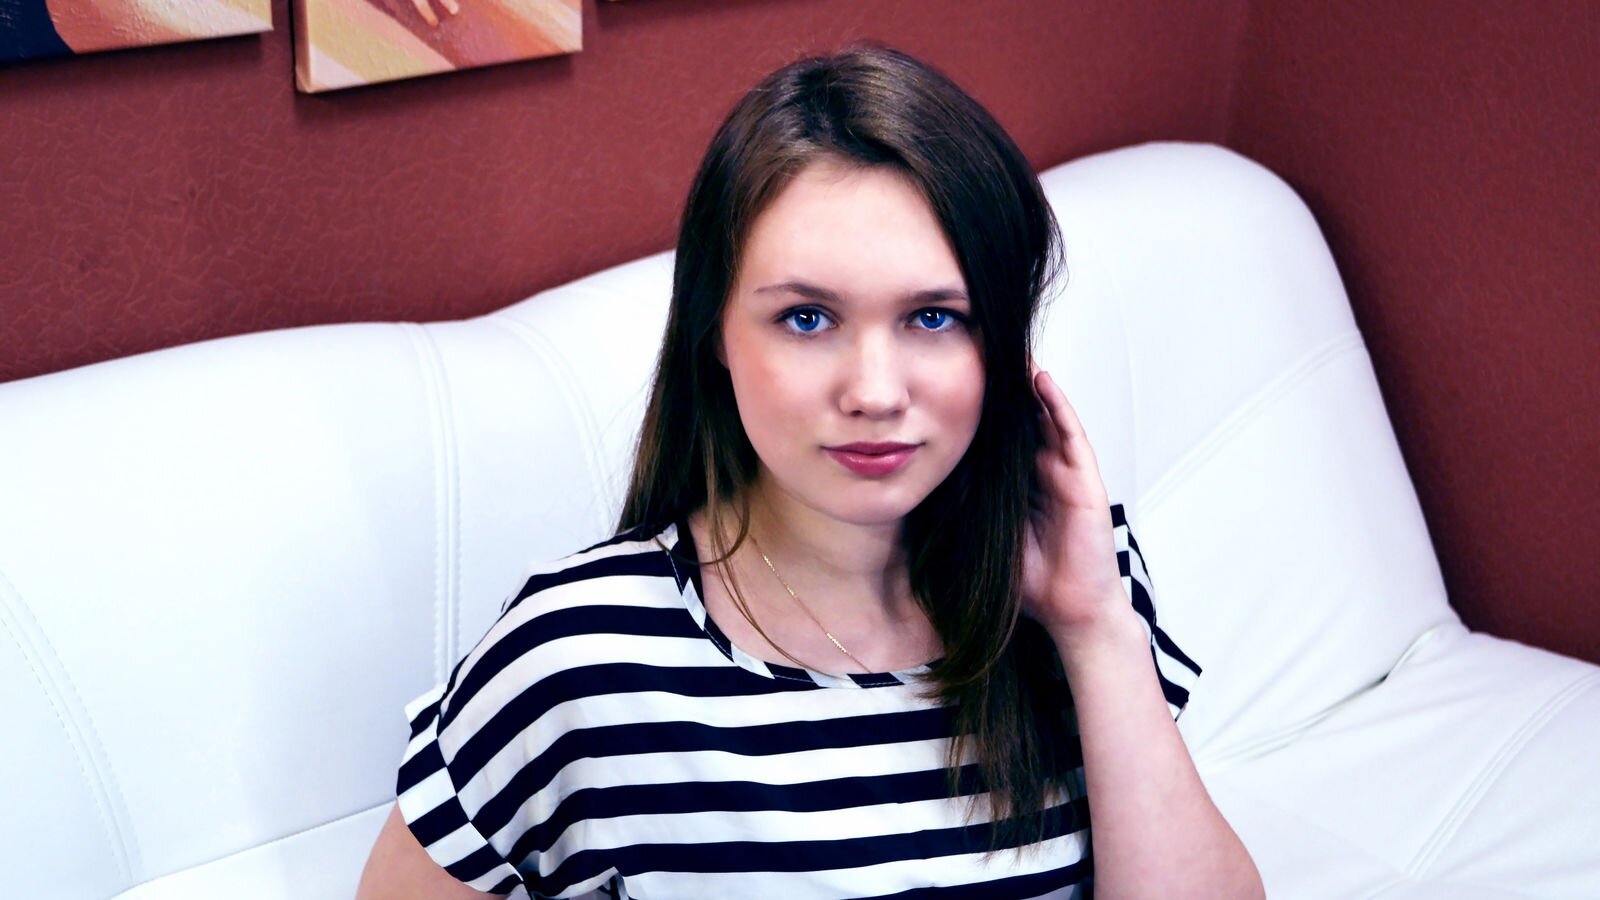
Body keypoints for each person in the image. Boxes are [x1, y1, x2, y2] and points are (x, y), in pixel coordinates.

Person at [357, 41, 1262, 899]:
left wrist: (1096, 631)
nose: (874, 391)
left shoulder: (1082, 580)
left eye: (935, 318)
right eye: (807, 319)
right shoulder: (575, 658)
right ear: (715, 331)